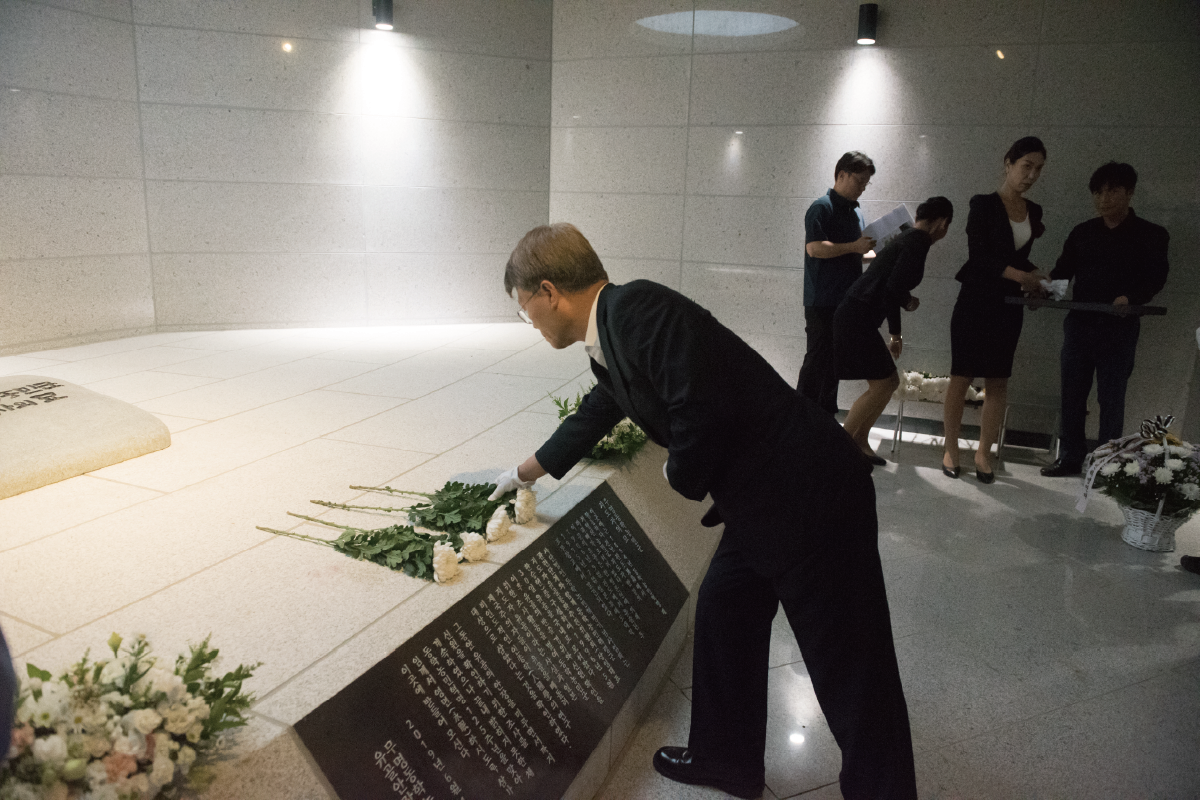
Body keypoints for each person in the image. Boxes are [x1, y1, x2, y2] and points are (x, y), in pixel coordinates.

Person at [490, 223, 917, 800]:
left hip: (808, 497)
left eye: (525, 310)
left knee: (853, 667)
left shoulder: (636, 307)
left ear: (549, 292)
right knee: (725, 611)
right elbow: (599, 410)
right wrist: (523, 473)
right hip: (761, 502)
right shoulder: (612, 330)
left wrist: (679, 471)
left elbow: (698, 403)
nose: (530, 322)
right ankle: (726, 759)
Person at [1041, 162, 1170, 477]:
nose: (1104, 199)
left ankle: (1106, 464)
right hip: (1080, 325)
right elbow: (1062, 274)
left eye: (1112, 191)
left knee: (1111, 398)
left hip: (1119, 327)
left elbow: (1156, 278)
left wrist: (1132, 298)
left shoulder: (1151, 234)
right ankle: (1070, 457)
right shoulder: (1083, 232)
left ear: (1130, 192)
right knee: (1072, 394)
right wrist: (1043, 292)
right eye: (1098, 192)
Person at [943, 136, 1048, 483]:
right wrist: (1023, 276)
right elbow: (980, 256)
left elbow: (1016, 257)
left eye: (1038, 169)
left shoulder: (1034, 211)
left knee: (998, 380)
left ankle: (983, 453)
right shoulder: (983, 204)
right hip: (975, 301)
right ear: (1008, 163)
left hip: (1008, 305)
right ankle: (951, 448)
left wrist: (1037, 277)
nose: (1031, 175)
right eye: (1026, 166)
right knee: (961, 377)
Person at [834, 197, 954, 464]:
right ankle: (841, 448)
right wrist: (896, 334)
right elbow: (892, 289)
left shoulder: (910, 238)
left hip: (857, 315)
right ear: (942, 223)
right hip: (857, 317)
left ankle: (859, 440)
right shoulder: (918, 241)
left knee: (888, 383)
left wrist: (906, 300)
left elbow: (893, 284)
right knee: (882, 385)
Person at [798, 151, 877, 414]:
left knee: (835, 362)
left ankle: (825, 416)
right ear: (842, 175)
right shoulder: (822, 207)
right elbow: (815, 248)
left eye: (866, 183)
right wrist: (854, 246)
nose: (862, 188)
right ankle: (801, 417)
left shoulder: (856, 213)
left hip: (846, 299)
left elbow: (855, 254)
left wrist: (879, 252)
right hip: (822, 299)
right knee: (817, 360)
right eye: (859, 181)